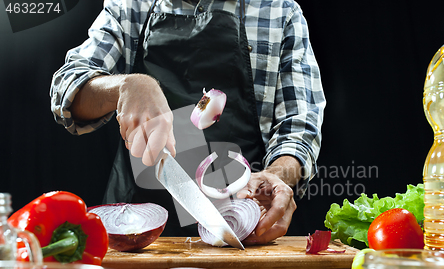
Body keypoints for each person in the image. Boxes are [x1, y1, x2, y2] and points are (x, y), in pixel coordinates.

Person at [50, 0, 325, 245]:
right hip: (138, 240)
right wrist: (126, 86)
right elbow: (66, 88)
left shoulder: (279, 11)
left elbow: (299, 127)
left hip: (243, 223)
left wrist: (276, 176)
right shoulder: (131, 7)